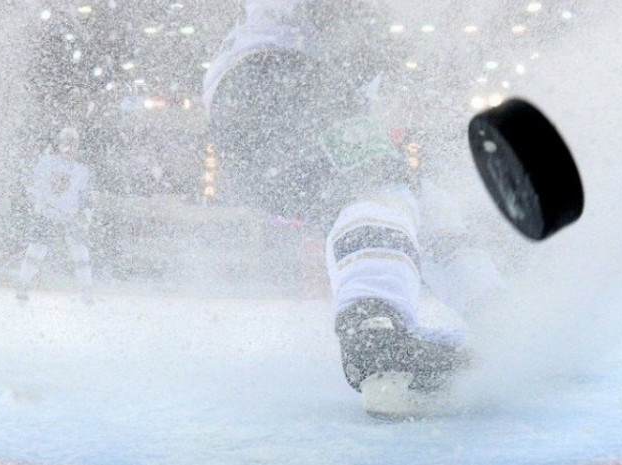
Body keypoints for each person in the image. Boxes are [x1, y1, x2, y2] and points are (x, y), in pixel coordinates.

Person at [204, 0, 507, 414]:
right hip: (279, 74)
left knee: (425, 202)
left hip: (261, 96)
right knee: (378, 186)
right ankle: (375, 330)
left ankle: (500, 317)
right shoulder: (324, 36)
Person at [16, 127, 95, 305]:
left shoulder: (81, 171)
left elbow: (85, 197)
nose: (69, 147)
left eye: (73, 143)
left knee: (80, 253)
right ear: (59, 144)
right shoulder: (46, 163)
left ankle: (87, 291)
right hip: (47, 214)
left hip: (70, 217)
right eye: (66, 142)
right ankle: (22, 285)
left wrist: (84, 215)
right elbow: (34, 184)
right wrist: (38, 204)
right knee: (36, 250)